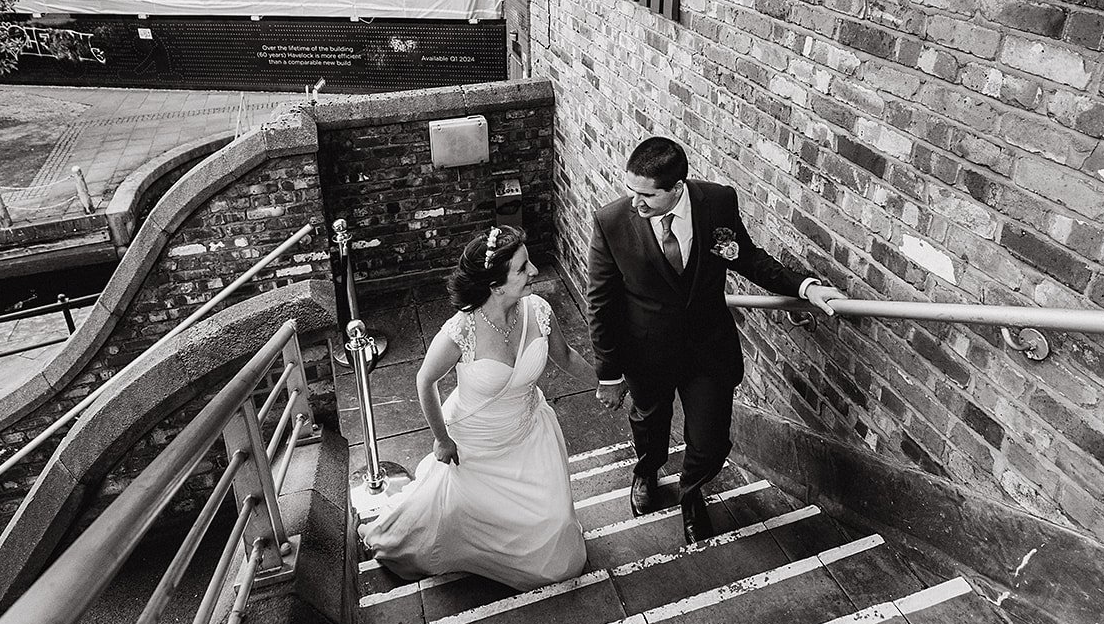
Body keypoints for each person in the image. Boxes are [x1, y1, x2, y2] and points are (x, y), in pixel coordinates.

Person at [588, 136, 844, 543]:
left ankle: (692, 495)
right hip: (646, 352)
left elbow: (746, 256)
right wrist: (609, 372)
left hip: (707, 349)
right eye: (631, 191)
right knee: (649, 426)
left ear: (677, 188)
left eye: (646, 195)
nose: (636, 203)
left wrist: (805, 287)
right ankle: (647, 471)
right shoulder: (611, 221)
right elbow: (601, 302)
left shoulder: (717, 202)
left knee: (710, 441)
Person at [361, 224, 596, 591]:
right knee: (449, 523)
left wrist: (609, 383)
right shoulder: (462, 330)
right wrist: (441, 440)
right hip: (474, 445)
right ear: (496, 285)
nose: (534, 271)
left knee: (555, 534)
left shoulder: (539, 310)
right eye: (522, 268)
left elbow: (565, 356)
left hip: (530, 436)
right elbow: (425, 381)